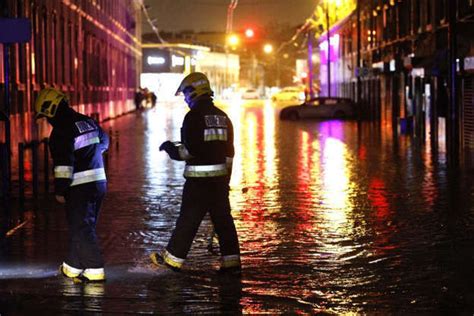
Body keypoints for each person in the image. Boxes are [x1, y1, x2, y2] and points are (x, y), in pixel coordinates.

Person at [150, 72, 241, 274]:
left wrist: (170, 149)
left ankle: (172, 262)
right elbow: (229, 154)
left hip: (198, 184)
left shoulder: (193, 117)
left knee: (188, 221)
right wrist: (225, 181)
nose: (185, 98)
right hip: (219, 183)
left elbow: (188, 151)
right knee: (224, 221)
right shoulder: (223, 117)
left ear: (193, 92)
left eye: (185, 94)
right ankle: (231, 263)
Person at [34, 88, 109, 282]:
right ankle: (73, 266)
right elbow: (105, 142)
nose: (46, 120)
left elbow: (63, 166)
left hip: (79, 186)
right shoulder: (87, 121)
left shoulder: (60, 132)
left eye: (44, 115)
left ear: (50, 110)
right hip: (99, 182)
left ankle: (94, 269)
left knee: (81, 228)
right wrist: (90, 157)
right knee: (85, 225)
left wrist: (60, 190)